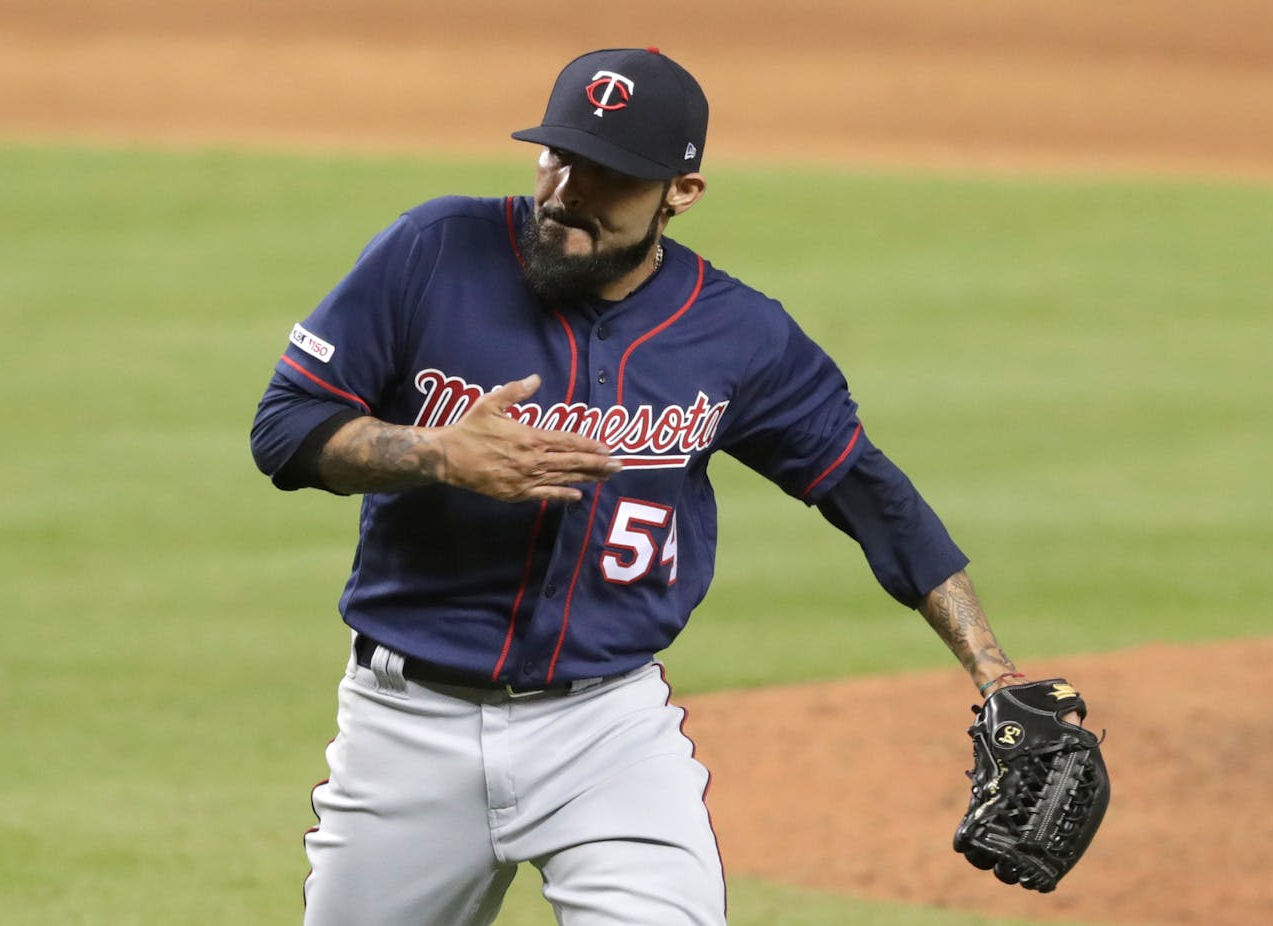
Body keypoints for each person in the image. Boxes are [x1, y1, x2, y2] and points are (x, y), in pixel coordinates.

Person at [251, 46, 1043, 926]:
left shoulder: (739, 335)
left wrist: (994, 670)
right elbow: (284, 429)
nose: (566, 194)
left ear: (681, 191)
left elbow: (865, 490)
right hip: (407, 727)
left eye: (608, 177)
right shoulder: (432, 250)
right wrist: (436, 454)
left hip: (606, 734)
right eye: (559, 158)